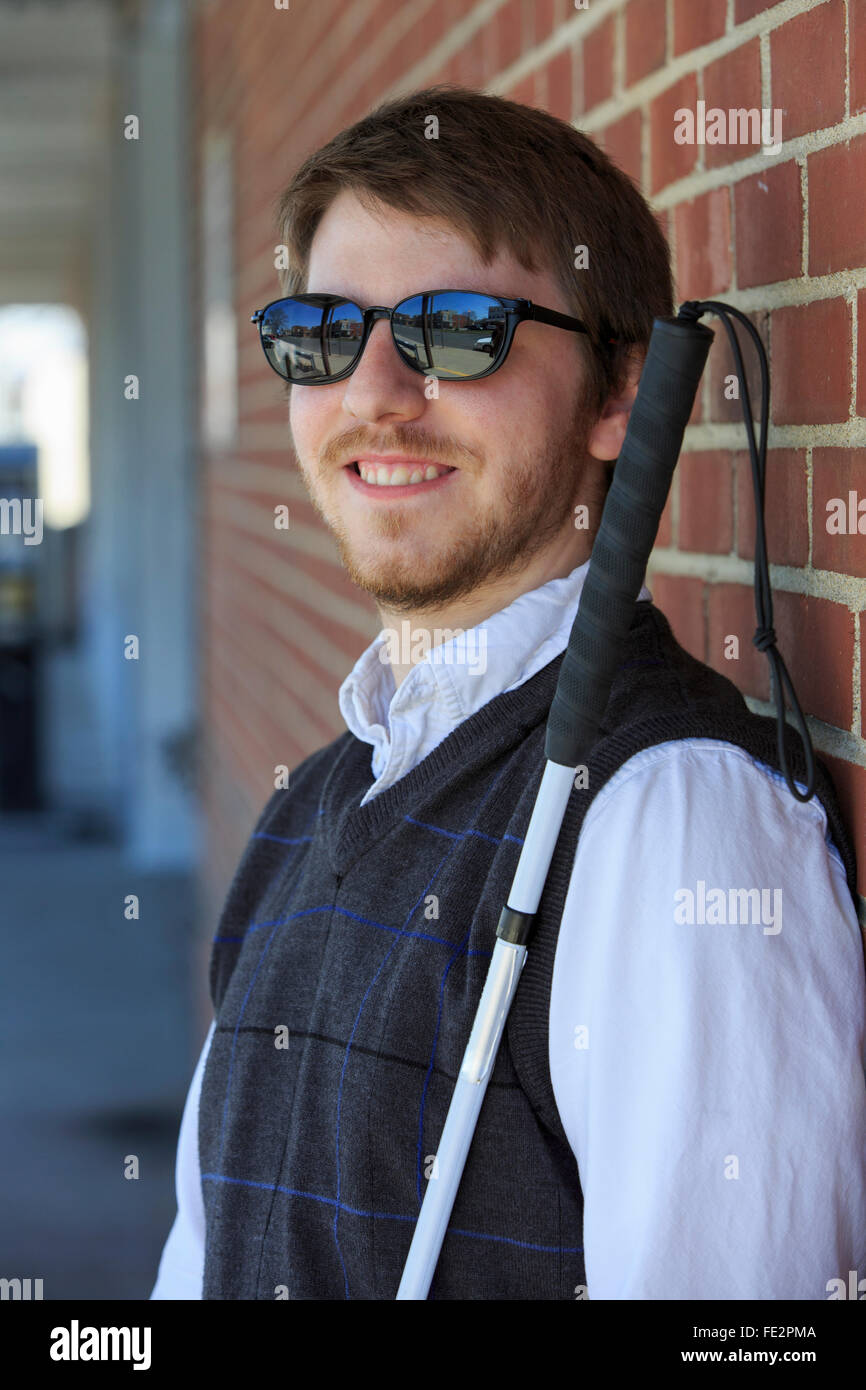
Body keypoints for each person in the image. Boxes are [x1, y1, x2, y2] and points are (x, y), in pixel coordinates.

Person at [151, 86, 865, 1300]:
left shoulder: (671, 822)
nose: (373, 393)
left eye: (454, 328)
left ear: (617, 397)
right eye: (323, 331)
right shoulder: (312, 801)